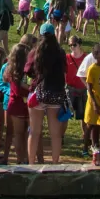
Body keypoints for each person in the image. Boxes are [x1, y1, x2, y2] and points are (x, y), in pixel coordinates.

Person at [27, 23, 69, 163]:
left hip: (38, 94)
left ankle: (32, 162)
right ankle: (55, 162)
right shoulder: (60, 52)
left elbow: (27, 71)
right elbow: (65, 71)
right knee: (55, 134)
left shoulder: (35, 51)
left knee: (34, 132)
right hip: (55, 94)